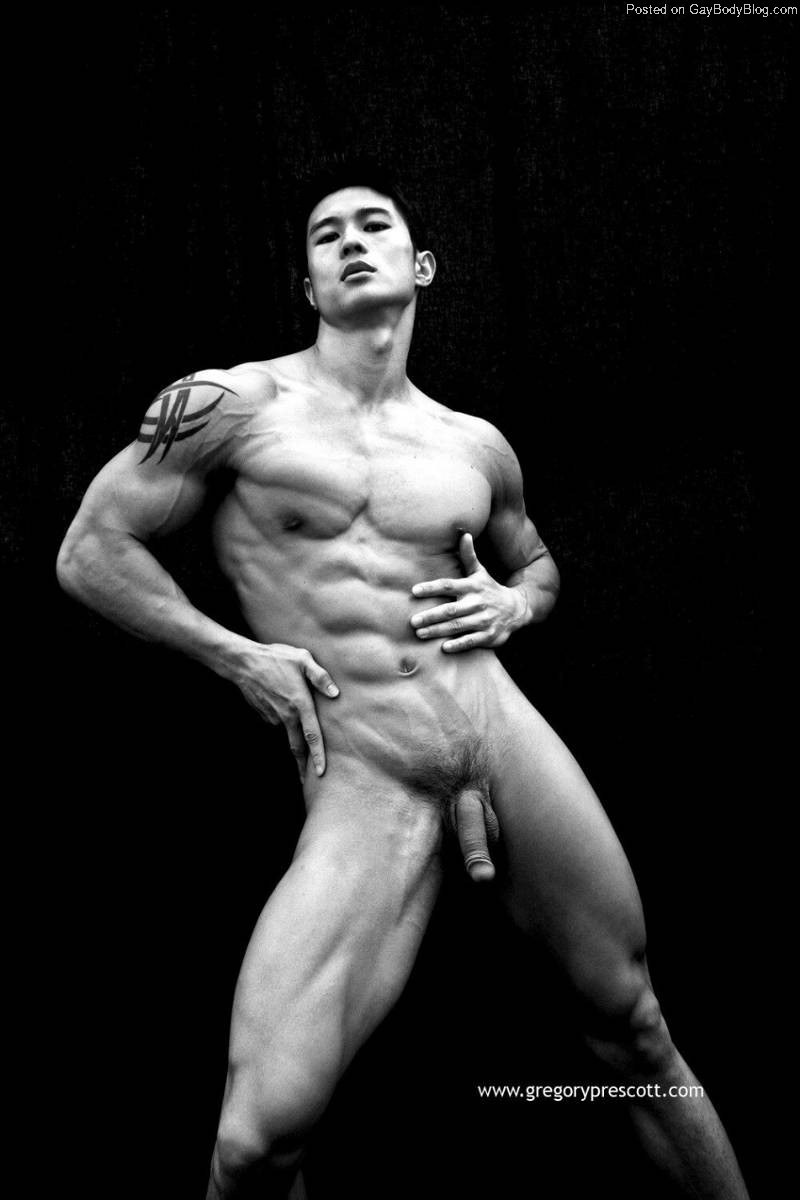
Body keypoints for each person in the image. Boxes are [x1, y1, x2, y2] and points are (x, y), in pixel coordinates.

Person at [56, 162, 749, 1199]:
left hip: (497, 732)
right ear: (308, 287)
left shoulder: (473, 444)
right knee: (255, 1141)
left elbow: (535, 563)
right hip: (365, 771)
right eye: (325, 233)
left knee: (634, 1030)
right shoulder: (234, 404)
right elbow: (90, 551)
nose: (350, 240)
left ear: (419, 266)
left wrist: (516, 605)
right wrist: (235, 654)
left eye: (373, 224)